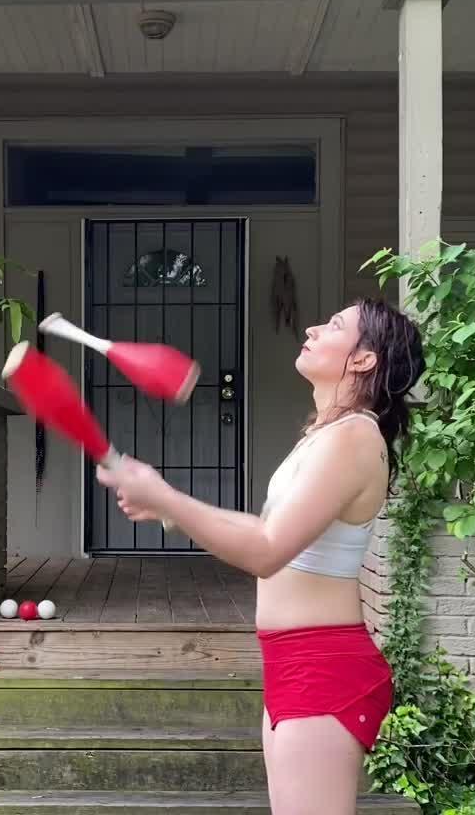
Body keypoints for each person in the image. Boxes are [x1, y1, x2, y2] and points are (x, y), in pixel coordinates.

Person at [95, 299, 425, 815]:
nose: (313, 327)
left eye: (335, 325)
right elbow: (266, 533)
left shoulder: (355, 437)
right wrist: (171, 508)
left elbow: (267, 553)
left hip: (323, 665)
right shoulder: (324, 436)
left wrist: (166, 496)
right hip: (292, 659)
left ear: (364, 359)